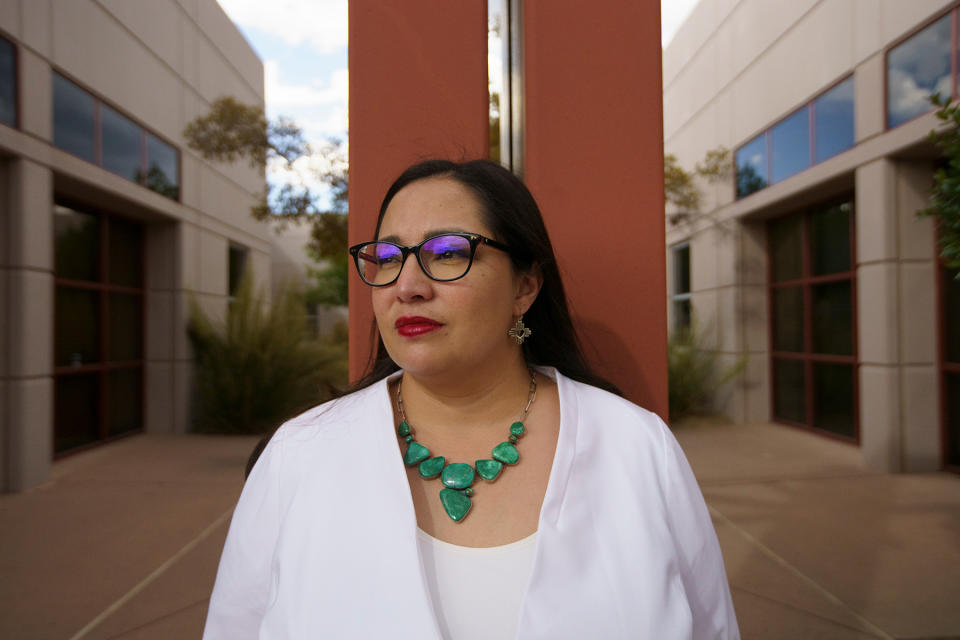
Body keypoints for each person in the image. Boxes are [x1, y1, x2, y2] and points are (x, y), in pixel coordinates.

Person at [203, 159, 739, 639]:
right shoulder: (299, 457)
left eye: (448, 252)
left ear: (525, 288)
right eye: (388, 257)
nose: (407, 285)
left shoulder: (638, 448)